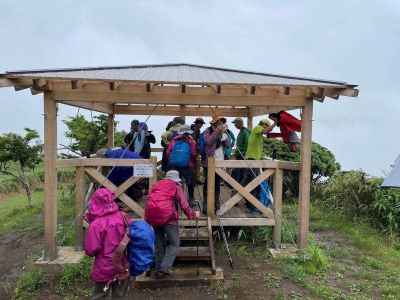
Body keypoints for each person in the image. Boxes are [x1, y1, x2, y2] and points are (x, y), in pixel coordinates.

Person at [144, 170, 200, 279]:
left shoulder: (156, 185)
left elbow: (149, 200)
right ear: (176, 179)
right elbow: (184, 205)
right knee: (174, 243)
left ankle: (158, 269)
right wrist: (193, 214)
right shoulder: (175, 186)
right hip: (168, 218)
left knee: (159, 244)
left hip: (153, 217)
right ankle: (164, 269)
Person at [84, 188, 130, 299]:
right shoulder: (123, 216)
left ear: (95, 202)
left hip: (104, 267)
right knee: (119, 295)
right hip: (123, 264)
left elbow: (91, 250)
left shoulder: (96, 224)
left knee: (99, 295)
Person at [242, 119, 275, 214]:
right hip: (252, 160)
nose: (267, 128)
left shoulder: (257, 133)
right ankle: (253, 207)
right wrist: (275, 123)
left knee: (249, 182)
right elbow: (266, 131)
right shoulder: (257, 128)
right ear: (264, 124)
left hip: (253, 160)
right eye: (267, 126)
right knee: (254, 184)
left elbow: (266, 133)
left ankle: (249, 204)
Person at [202, 116, 231, 214]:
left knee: (217, 185)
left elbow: (228, 145)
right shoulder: (207, 131)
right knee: (207, 184)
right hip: (209, 162)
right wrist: (217, 131)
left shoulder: (223, 132)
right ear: (214, 124)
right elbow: (208, 142)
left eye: (222, 123)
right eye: (219, 123)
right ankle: (206, 205)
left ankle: (216, 205)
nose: (221, 124)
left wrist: (225, 133)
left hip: (219, 162)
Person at [166, 125, 197, 207]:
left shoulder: (174, 140)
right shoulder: (191, 141)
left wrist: (174, 159)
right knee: (190, 183)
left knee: (175, 183)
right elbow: (193, 153)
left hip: (174, 165)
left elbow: (168, 152)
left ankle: (175, 200)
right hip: (188, 165)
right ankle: (190, 199)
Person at [231, 117, 251, 184]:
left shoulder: (245, 132)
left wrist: (244, 153)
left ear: (239, 123)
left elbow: (247, 144)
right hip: (239, 155)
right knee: (237, 172)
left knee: (241, 173)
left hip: (242, 155)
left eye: (235, 124)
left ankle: (240, 188)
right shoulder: (241, 132)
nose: (235, 125)